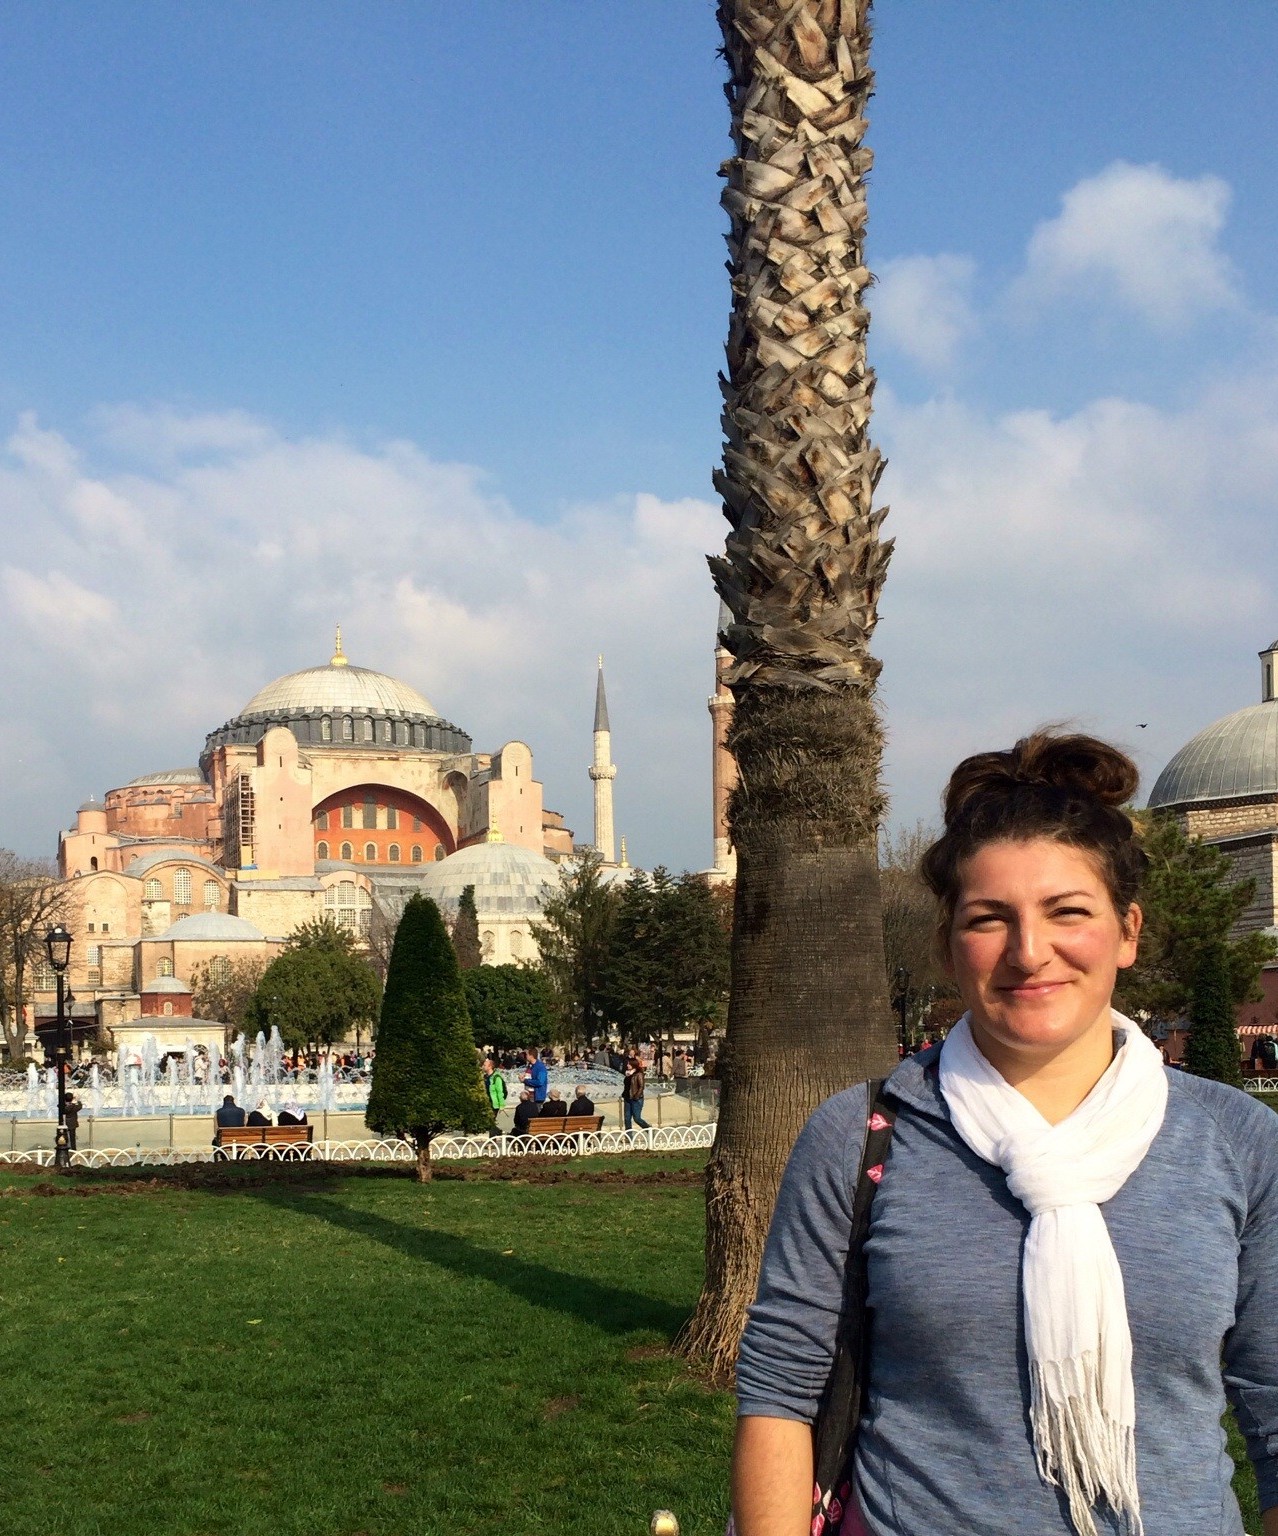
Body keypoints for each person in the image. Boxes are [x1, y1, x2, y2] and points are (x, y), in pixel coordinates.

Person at [732, 730, 1278, 1536]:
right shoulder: (862, 1135)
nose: (1029, 953)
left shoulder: (1237, 1141)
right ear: (950, 945)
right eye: (990, 919)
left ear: (1127, 931)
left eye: (1068, 912)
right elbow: (782, 1393)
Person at [623, 1051, 650, 1132]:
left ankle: (649, 1130)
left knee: (637, 1118)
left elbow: (641, 1086)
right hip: (627, 1098)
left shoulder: (639, 1074)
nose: (627, 1065)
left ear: (633, 1064)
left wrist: (636, 1096)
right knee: (627, 1118)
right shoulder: (628, 1074)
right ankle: (629, 1136)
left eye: (629, 1064)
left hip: (636, 1099)